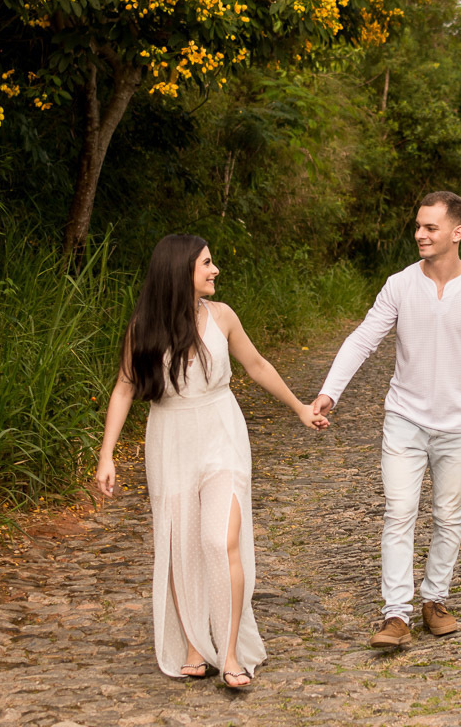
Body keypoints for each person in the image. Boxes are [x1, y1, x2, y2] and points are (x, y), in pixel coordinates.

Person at [95, 234, 328, 687]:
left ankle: (231, 652)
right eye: (206, 263)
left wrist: (300, 407)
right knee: (181, 545)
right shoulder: (144, 326)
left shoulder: (222, 317)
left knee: (220, 541)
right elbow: (124, 388)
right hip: (171, 438)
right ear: (180, 270)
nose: (215, 269)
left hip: (222, 432)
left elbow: (257, 365)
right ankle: (193, 646)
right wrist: (107, 454)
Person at [312, 191, 461, 648]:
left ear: (457, 233)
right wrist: (329, 392)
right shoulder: (399, 285)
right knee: (399, 512)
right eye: (418, 225)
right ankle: (396, 615)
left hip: (458, 425)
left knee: (448, 515)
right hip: (404, 418)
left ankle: (434, 600)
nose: (419, 234)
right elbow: (362, 339)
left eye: (430, 227)